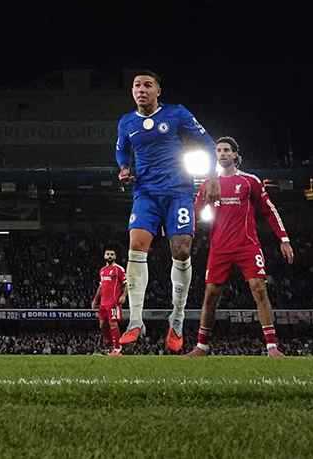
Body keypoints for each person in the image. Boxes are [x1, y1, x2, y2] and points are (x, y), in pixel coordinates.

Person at [115, 71, 218, 352]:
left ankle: (178, 318)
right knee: (136, 246)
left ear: (158, 91)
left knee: (182, 250)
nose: (141, 90)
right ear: (132, 91)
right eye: (137, 85)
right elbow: (122, 152)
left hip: (178, 191)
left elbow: (207, 143)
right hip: (145, 193)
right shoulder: (126, 122)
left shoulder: (176, 114)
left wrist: (211, 177)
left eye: (148, 85)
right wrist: (124, 169)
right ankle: (135, 320)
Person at [186, 137, 294, 358]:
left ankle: (272, 347)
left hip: (247, 245)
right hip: (220, 248)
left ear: (235, 154)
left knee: (259, 288)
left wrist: (283, 239)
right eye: (219, 150)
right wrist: (185, 236)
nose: (223, 153)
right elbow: (194, 213)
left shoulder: (249, 181)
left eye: (227, 150)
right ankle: (202, 346)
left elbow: (269, 211)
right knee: (210, 295)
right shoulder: (209, 183)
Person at [90, 247, 127, 357]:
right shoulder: (102, 270)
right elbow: (101, 287)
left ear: (115, 257)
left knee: (113, 324)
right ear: (104, 256)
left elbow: (126, 284)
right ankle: (110, 347)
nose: (109, 256)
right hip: (103, 303)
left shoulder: (118, 269)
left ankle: (117, 348)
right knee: (102, 325)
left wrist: (123, 295)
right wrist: (95, 300)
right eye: (108, 254)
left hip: (113, 302)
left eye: (112, 254)